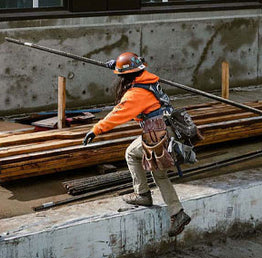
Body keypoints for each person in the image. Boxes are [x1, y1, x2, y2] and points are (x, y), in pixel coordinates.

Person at [82, 52, 191, 237]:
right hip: (168, 130)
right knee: (160, 175)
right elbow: (138, 63)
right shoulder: (147, 79)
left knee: (131, 154)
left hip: (157, 135)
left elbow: (117, 114)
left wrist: (96, 130)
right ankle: (177, 212)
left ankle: (143, 195)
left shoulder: (135, 94)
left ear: (125, 77)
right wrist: (115, 65)